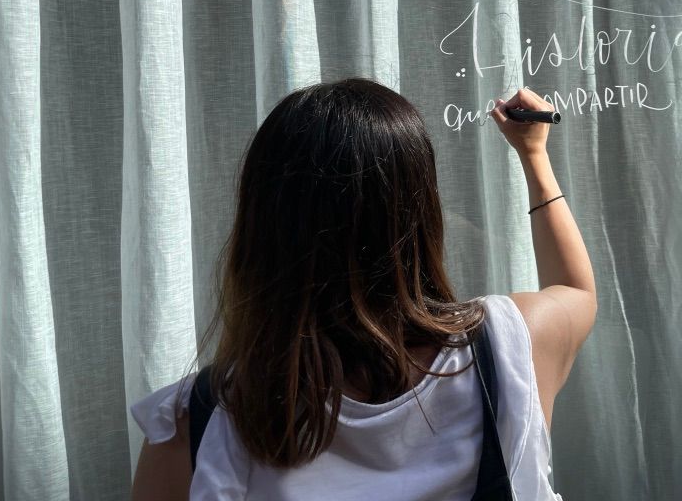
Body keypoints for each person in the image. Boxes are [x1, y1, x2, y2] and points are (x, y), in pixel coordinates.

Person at [129, 78, 596, 500]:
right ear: (421, 217)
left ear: (260, 231)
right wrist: (534, 155)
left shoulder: (195, 424)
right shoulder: (506, 352)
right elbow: (575, 291)